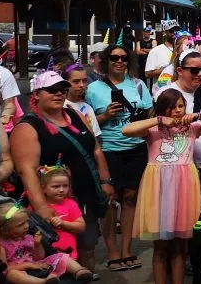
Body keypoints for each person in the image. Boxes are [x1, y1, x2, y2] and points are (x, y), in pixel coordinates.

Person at [123, 87, 201, 284]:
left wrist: (199, 115)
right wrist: (159, 120)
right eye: (172, 107)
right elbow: (126, 130)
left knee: (181, 246)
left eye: (181, 106)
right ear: (163, 109)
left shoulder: (192, 128)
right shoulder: (153, 129)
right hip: (159, 187)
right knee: (161, 247)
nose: (178, 110)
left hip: (185, 186)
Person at [10, 70, 112, 274]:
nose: (59, 94)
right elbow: (26, 170)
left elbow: (95, 148)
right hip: (53, 202)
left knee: (87, 246)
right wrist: (41, 207)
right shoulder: (28, 127)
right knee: (55, 253)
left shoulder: (75, 114)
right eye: (52, 90)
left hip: (85, 196)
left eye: (63, 89)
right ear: (36, 94)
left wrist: (105, 180)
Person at [82, 45, 148, 271]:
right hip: (108, 149)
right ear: (105, 61)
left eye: (124, 58)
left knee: (130, 198)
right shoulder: (92, 89)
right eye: (114, 58)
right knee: (110, 201)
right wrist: (105, 115)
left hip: (136, 148)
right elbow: (85, 126)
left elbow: (148, 115)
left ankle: (127, 249)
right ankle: (112, 251)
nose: (119, 62)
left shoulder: (138, 85)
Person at [156, 49, 201, 198]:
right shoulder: (165, 93)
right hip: (175, 168)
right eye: (194, 70)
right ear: (180, 70)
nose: (200, 74)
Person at [0, 202, 94, 283]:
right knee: (11, 274)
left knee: (61, 256)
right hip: (19, 270)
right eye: (21, 225)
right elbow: (5, 269)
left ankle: (79, 271)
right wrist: (28, 265)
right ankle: (42, 282)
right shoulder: (1, 245)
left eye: (26, 222)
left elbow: (39, 257)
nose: (26, 226)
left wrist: (37, 245)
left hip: (35, 263)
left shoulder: (27, 237)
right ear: (5, 230)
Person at [61, 64, 101, 137]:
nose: (82, 85)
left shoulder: (87, 108)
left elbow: (95, 136)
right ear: (65, 83)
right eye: (76, 81)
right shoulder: (59, 107)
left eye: (85, 81)